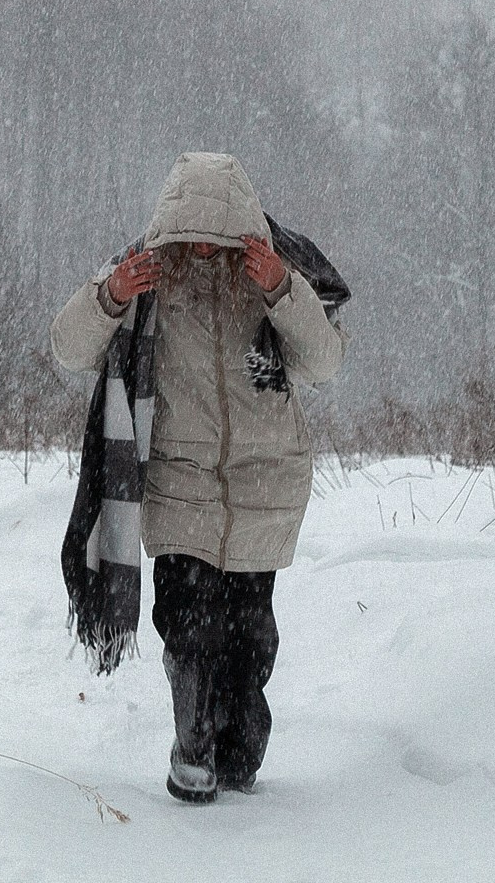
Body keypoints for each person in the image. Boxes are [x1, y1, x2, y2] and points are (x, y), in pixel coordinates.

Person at [53, 152, 349, 804]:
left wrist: (282, 290)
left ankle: (238, 754)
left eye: (217, 237)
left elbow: (322, 363)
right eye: (192, 235)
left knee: (251, 640)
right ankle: (192, 749)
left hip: (263, 483)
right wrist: (110, 297)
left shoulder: (276, 271)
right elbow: (69, 349)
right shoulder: (145, 272)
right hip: (179, 480)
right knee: (188, 625)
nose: (204, 249)